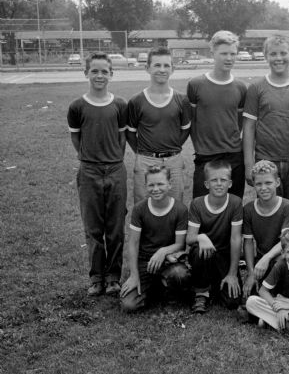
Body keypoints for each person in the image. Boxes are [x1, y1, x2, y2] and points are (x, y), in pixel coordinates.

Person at [67, 52, 128, 297]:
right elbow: (76, 137)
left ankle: (113, 276)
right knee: (93, 227)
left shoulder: (120, 105)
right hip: (89, 171)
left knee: (115, 226)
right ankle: (96, 277)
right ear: (86, 73)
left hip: (115, 169)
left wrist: (113, 159)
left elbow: (122, 137)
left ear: (111, 74)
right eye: (95, 71)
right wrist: (89, 158)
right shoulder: (77, 106)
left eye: (104, 71)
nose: (99, 75)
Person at [242, 35, 289, 216]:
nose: (278, 58)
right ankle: (268, 244)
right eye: (273, 54)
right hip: (266, 160)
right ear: (265, 56)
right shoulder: (256, 87)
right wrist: (248, 164)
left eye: (283, 53)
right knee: (269, 210)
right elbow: (249, 127)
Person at [126, 46, 191, 204]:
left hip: (173, 160)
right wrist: (143, 152)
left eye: (166, 65)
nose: (162, 69)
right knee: (143, 205)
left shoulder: (181, 100)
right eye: (157, 65)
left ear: (173, 69)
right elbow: (130, 133)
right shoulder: (137, 101)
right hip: (146, 160)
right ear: (147, 68)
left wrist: (172, 148)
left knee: (175, 204)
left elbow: (185, 130)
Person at [120, 166, 190, 312]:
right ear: (145, 186)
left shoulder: (180, 209)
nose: (156, 189)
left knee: (179, 274)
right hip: (145, 261)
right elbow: (133, 243)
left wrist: (162, 251)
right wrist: (134, 275)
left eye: (160, 184)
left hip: (168, 260)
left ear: (169, 184)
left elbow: (180, 244)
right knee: (129, 305)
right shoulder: (139, 209)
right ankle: (152, 287)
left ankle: (167, 291)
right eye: (151, 185)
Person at [186, 31, 247, 199]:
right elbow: (192, 120)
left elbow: (239, 122)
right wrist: (199, 146)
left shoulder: (241, 87)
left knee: (233, 205)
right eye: (224, 53)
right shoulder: (196, 84)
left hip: (234, 155)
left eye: (233, 54)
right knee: (202, 205)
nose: (229, 58)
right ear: (212, 53)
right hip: (206, 155)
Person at [186, 159, 243, 313]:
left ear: (230, 183)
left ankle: (216, 285)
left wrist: (232, 274)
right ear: (206, 184)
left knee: (232, 302)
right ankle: (201, 292)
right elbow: (190, 238)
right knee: (200, 251)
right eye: (214, 180)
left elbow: (236, 238)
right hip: (203, 254)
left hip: (223, 255)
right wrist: (202, 237)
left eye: (223, 180)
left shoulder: (235, 203)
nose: (219, 184)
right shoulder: (197, 204)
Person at [242, 160, 289, 298]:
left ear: (277, 182)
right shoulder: (248, 209)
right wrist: (250, 273)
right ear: (253, 185)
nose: (263, 188)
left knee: (280, 264)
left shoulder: (288, 207)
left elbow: (286, 240)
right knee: (248, 299)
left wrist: (266, 258)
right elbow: (248, 242)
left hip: (281, 258)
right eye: (259, 184)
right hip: (261, 261)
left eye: (268, 183)